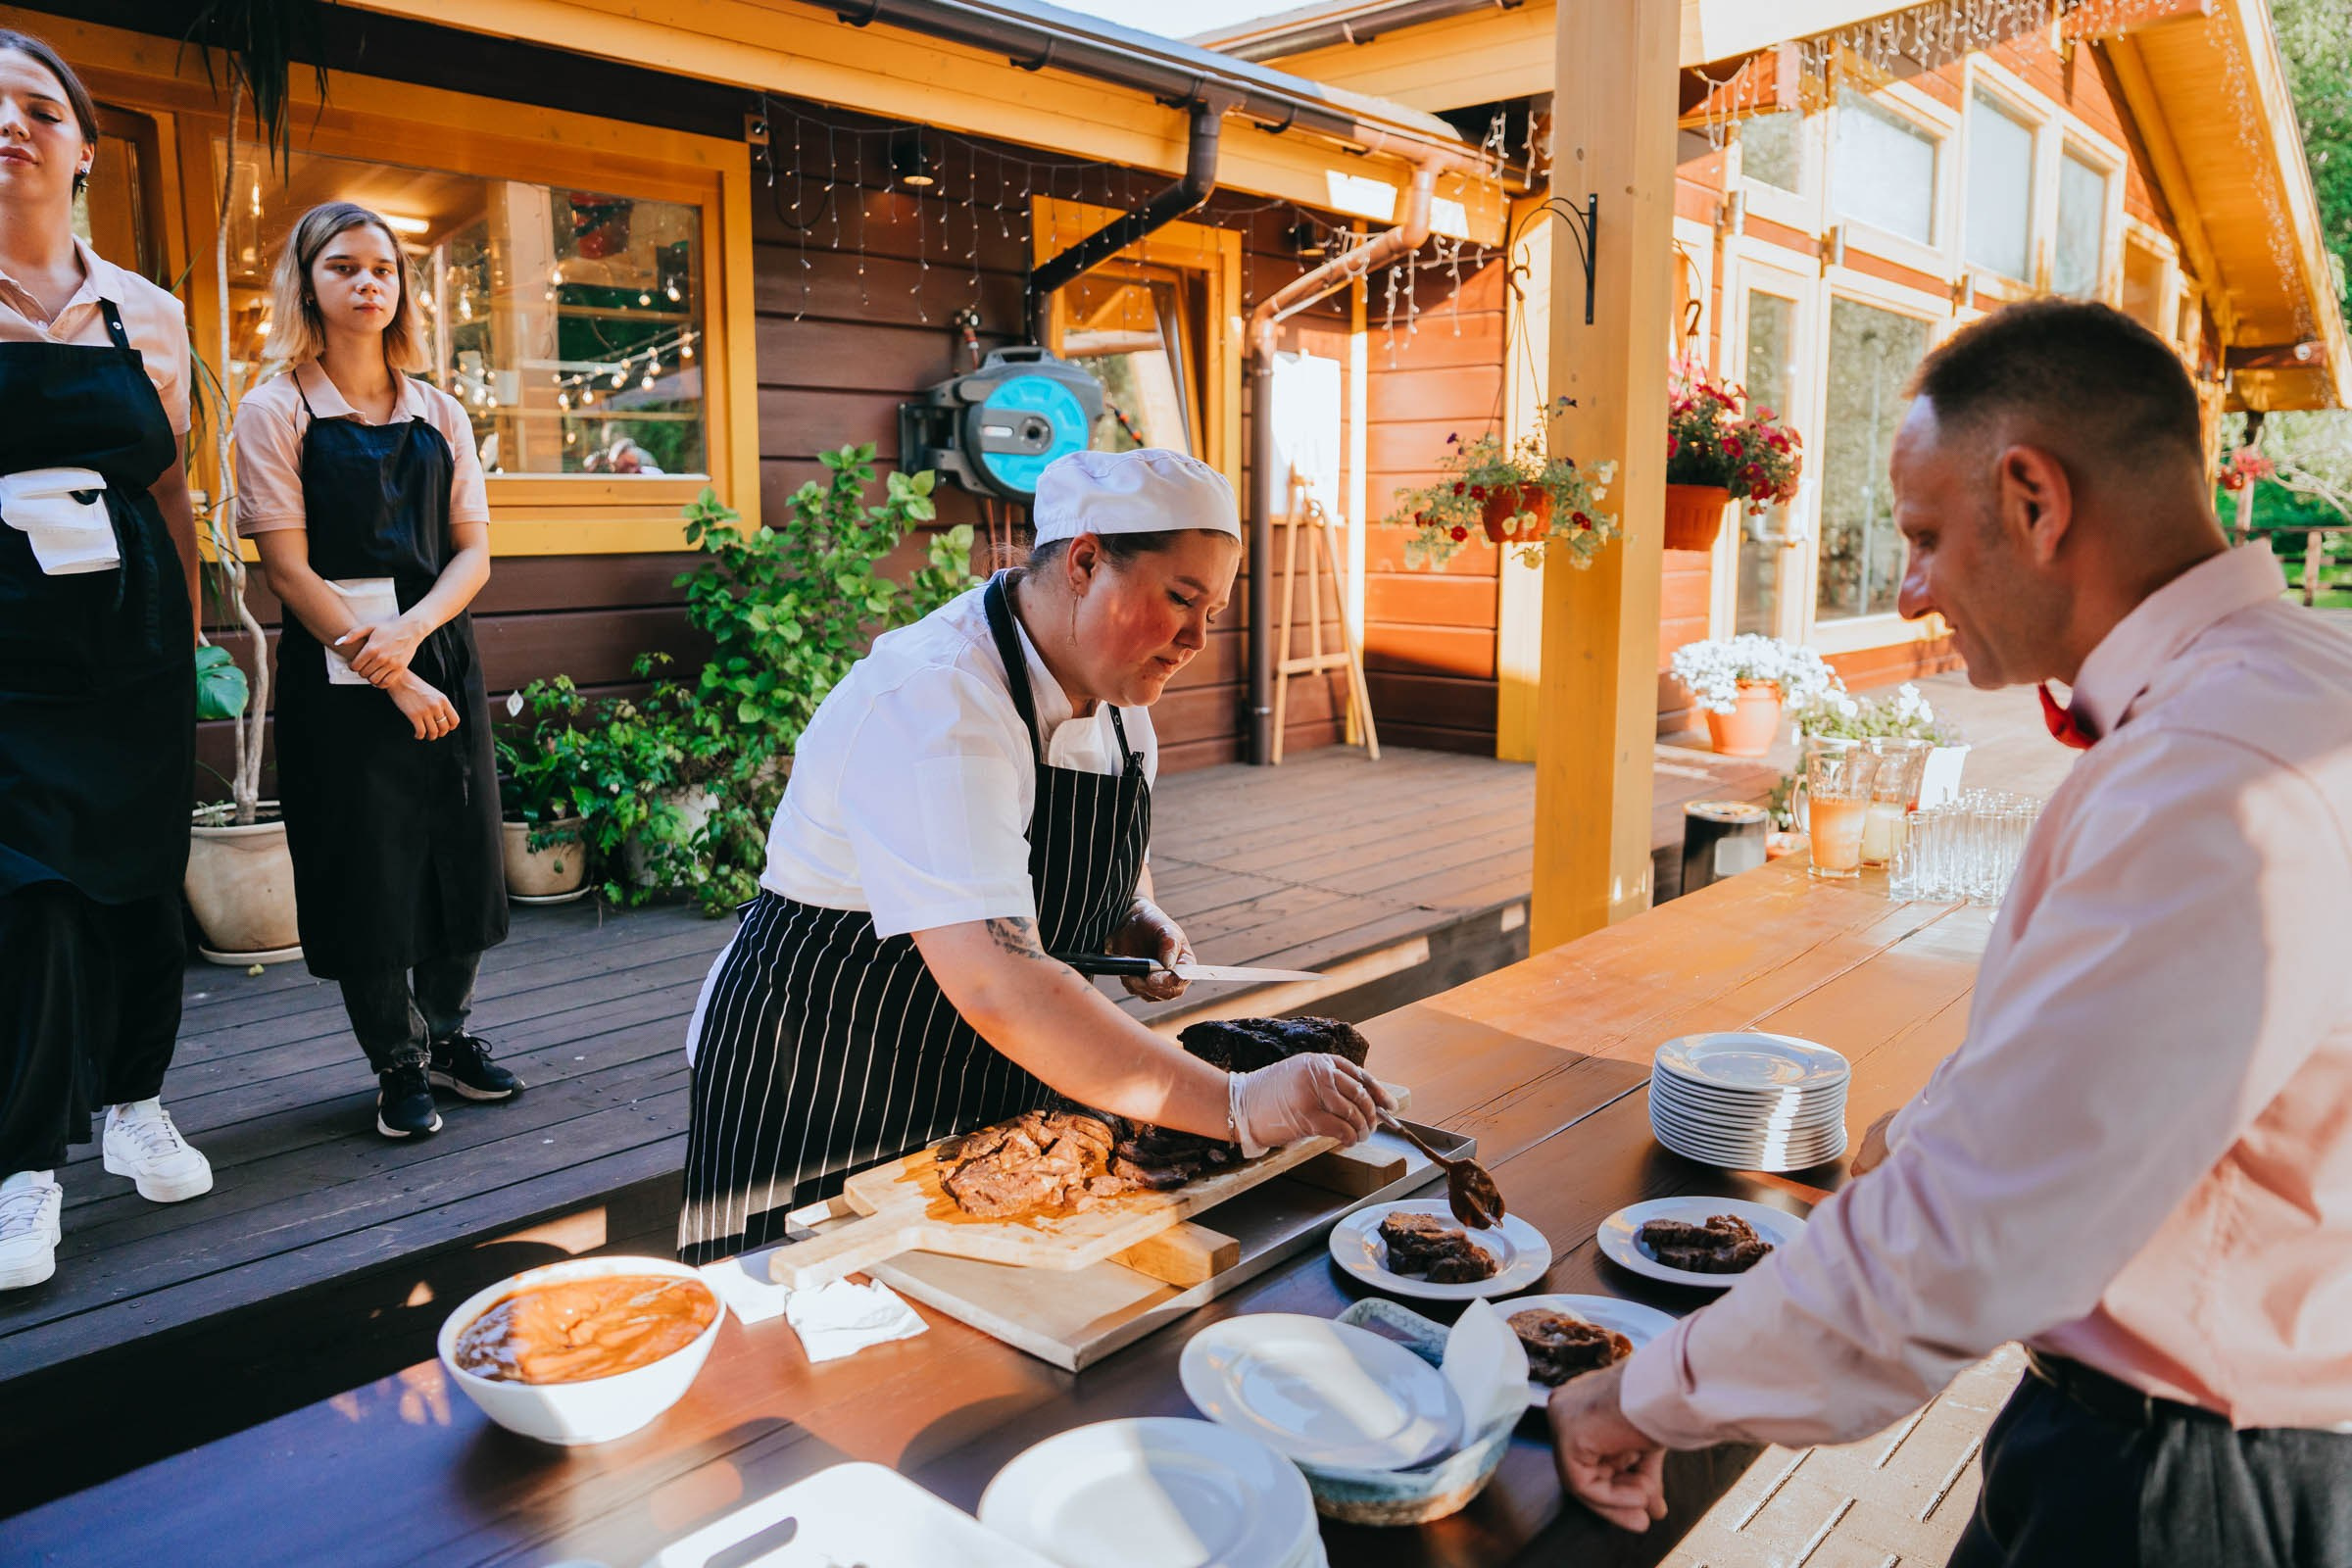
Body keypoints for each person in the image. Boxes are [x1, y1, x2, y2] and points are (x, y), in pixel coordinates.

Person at [1547, 299, 2352, 1564]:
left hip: (2186, 1480)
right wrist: (1927, 1129)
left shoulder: (2217, 774)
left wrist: (1643, 1395)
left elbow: (1976, 1234)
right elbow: (2128, 1068)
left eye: (1924, 536)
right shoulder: (2303, 681)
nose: (1910, 589)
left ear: (2035, 499)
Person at [679, 448, 1391, 1262]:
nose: (1197, 637)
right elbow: (998, 982)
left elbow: (1097, 859)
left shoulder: (1121, 699)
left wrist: (1129, 911)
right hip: (824, 1077)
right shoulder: (939, 698)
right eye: (1180, 598)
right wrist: (1239, 1105)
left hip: (993, 1075)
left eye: (1214, 612)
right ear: (1084, 562)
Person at [0, 30, 214, 1292]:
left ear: (84, 148)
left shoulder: (149, 312)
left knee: (139, 877)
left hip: (131, 642)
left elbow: (170, 487)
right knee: (26, 901)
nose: (11, 126)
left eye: (39, 108)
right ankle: (23, 1163)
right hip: (7, 661)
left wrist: (185, 628)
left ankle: (136, 1102)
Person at [232, 201, 517, 1141]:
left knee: (459, 851)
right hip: (340, 671)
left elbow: (473, 554)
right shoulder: (276, 410)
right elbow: (288, 570)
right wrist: (384, 664)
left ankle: (447, 1035)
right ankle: (395, 1060)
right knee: (367, 865)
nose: (367, 283)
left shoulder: (441, 411)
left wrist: (414, 635)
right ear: (307, 283)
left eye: (384, 269)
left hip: (438, 652)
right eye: (344, 267)